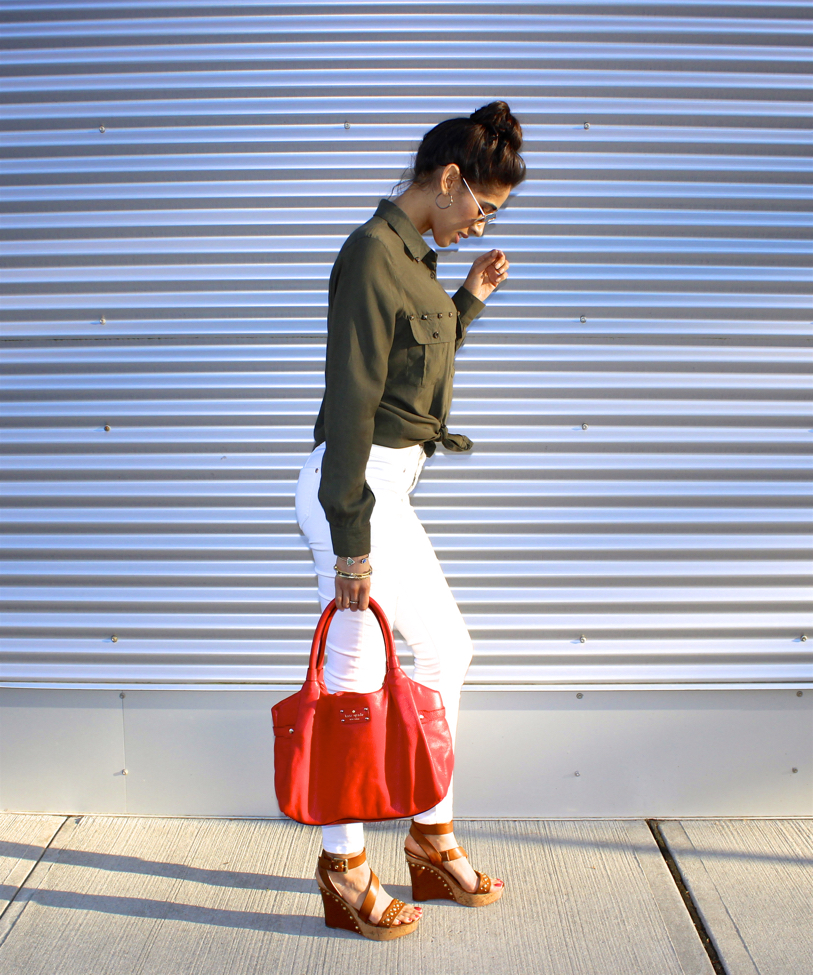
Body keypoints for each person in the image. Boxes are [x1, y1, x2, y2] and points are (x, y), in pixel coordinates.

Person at [294, 101, 526, 940]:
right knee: (355, 672)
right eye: (483, 209)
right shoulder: (368, 256)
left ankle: (429, 840)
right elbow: (354, 397)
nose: (479, 224)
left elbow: (413, 367)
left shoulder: (414, 262)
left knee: (446, 647)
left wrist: (467, 298)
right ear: (450, 179)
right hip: (353, 487)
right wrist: (349, 537)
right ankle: (344, 867)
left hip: (389, 486)